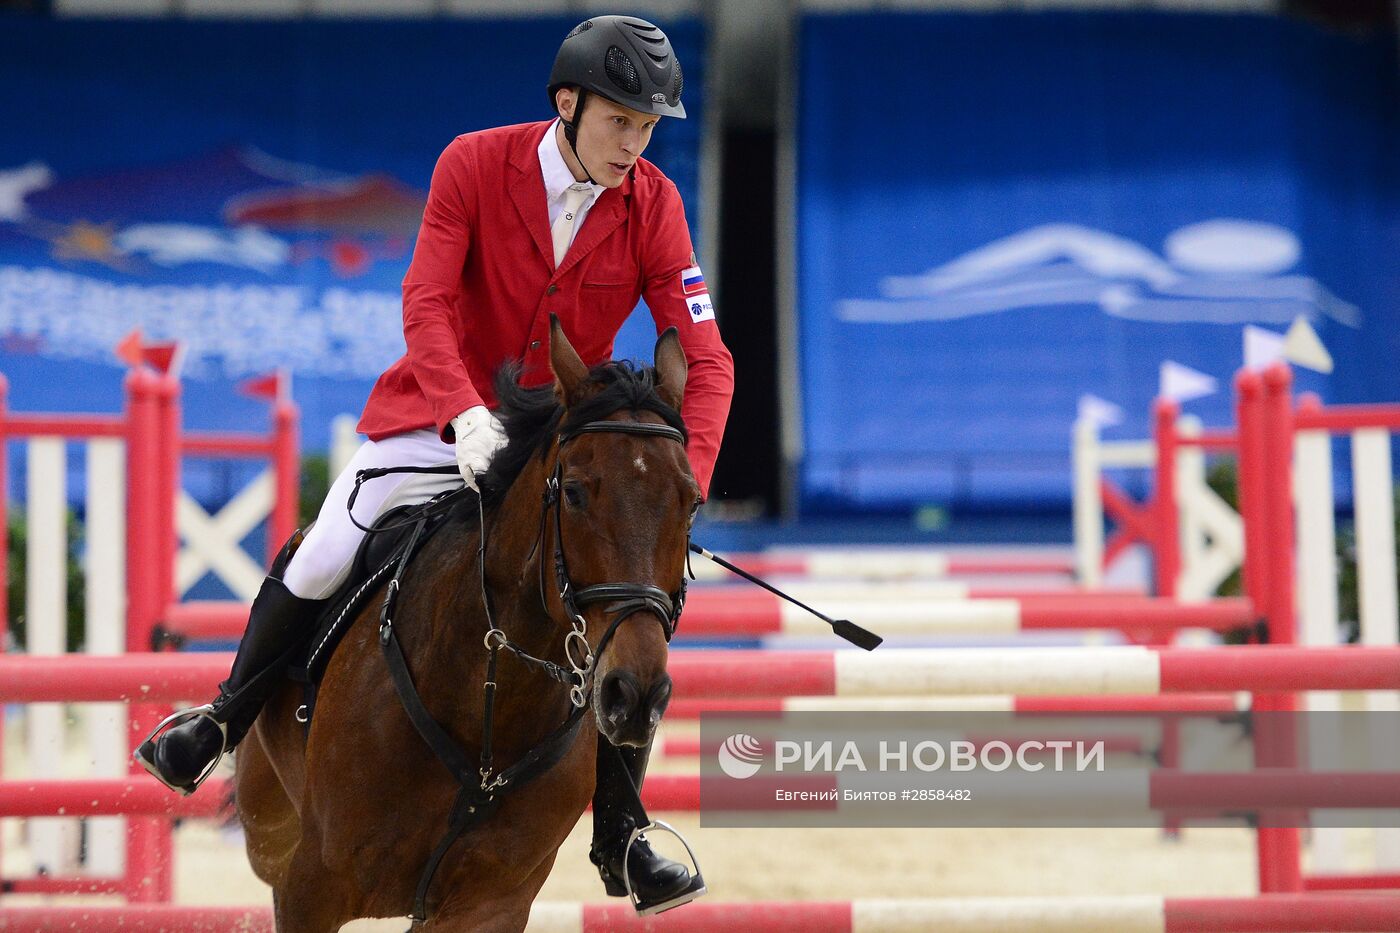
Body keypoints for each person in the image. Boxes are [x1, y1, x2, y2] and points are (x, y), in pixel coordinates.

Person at [136, 14, 733, 913]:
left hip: (559, 446)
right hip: (437, 417)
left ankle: (622, 831)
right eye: (622, 122)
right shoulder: (473, 164)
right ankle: (221, 717)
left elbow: (707, 356)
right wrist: (462, 413)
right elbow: (426, 301)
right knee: (327, 548)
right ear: (567, 104)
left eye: (650, 128)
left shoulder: (655, 204)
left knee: (631, 603)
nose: (636, 145)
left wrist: (683, 483)